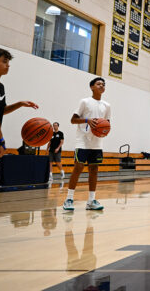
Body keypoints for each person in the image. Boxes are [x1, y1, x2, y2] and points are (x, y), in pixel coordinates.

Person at [63, 77, 110, 211]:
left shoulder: (107, 106)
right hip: (83, 140)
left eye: (103, 84)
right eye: (98, 84)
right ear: (92, 87)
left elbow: (107, 123)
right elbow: (73, 120)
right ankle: (69, 199)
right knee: (78, 167)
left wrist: (105, 130)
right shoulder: (85, 102)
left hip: (97, 142)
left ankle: (91, 200)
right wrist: (87, 120)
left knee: (94, 170)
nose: (101, 86)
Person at [0, 48, 39, 162]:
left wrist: (20, 104)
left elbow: (2, 110)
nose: (8, 65)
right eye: (4, 61)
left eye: (8, 62)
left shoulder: (1, 87)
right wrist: (1, 140)